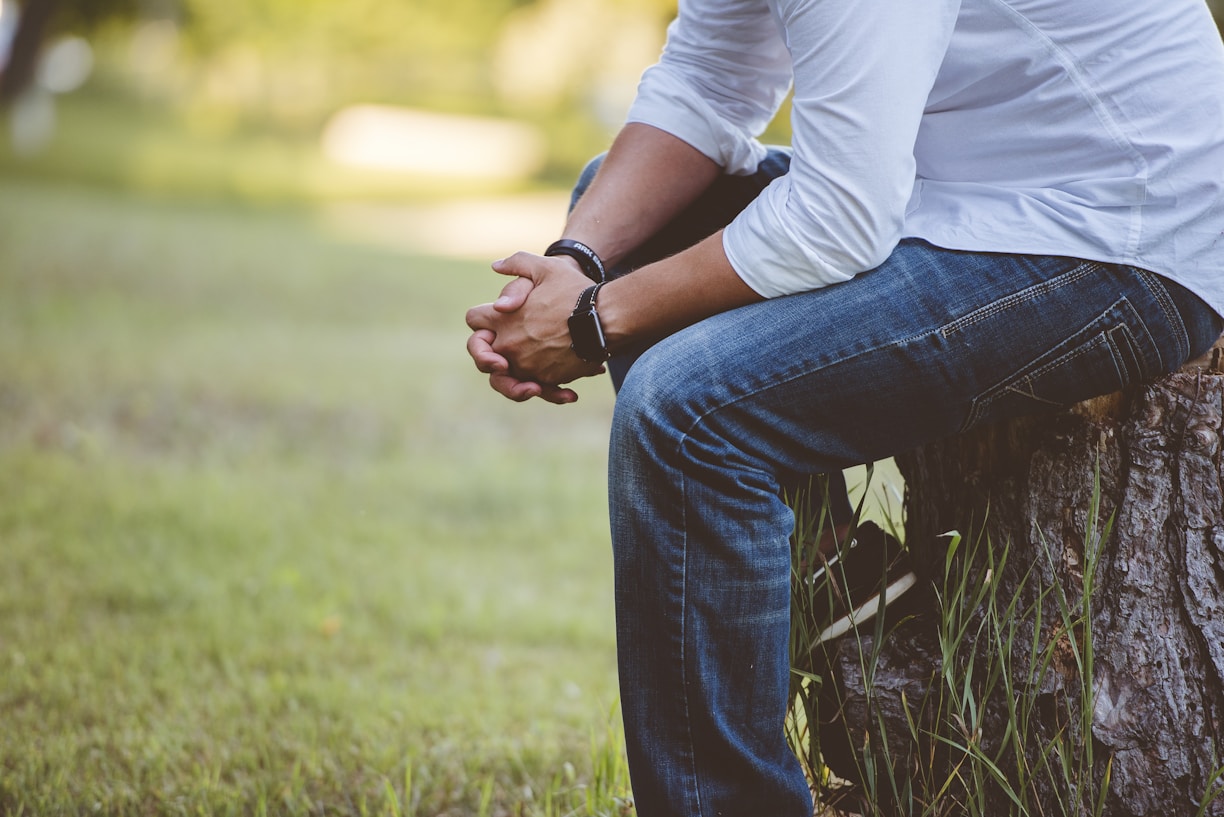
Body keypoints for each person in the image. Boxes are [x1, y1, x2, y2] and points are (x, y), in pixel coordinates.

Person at [464, 0, 1224, 813]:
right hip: (962, 196)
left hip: (1121, 232)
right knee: (625, 223)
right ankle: (832, 574)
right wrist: (574, 270)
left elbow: (839, 217)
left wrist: (593, 319)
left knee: (686, 413)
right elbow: (707, 81)